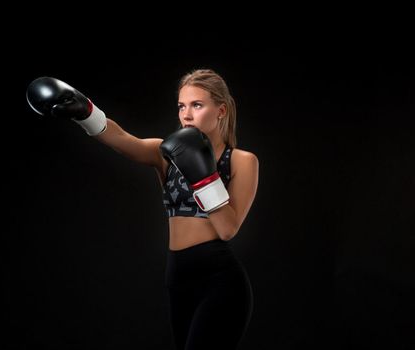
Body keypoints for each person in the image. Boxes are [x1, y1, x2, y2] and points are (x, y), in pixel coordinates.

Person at [26, 69, 259, 349]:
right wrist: (84, 111)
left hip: (220, 280)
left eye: (197, 105)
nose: (186, 115)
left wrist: (204, 176)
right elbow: (123, 140)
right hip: (178, 279)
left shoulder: (242, 161)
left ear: (220, 110)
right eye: (182, 106)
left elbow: (227, 229)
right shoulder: (166, 153)